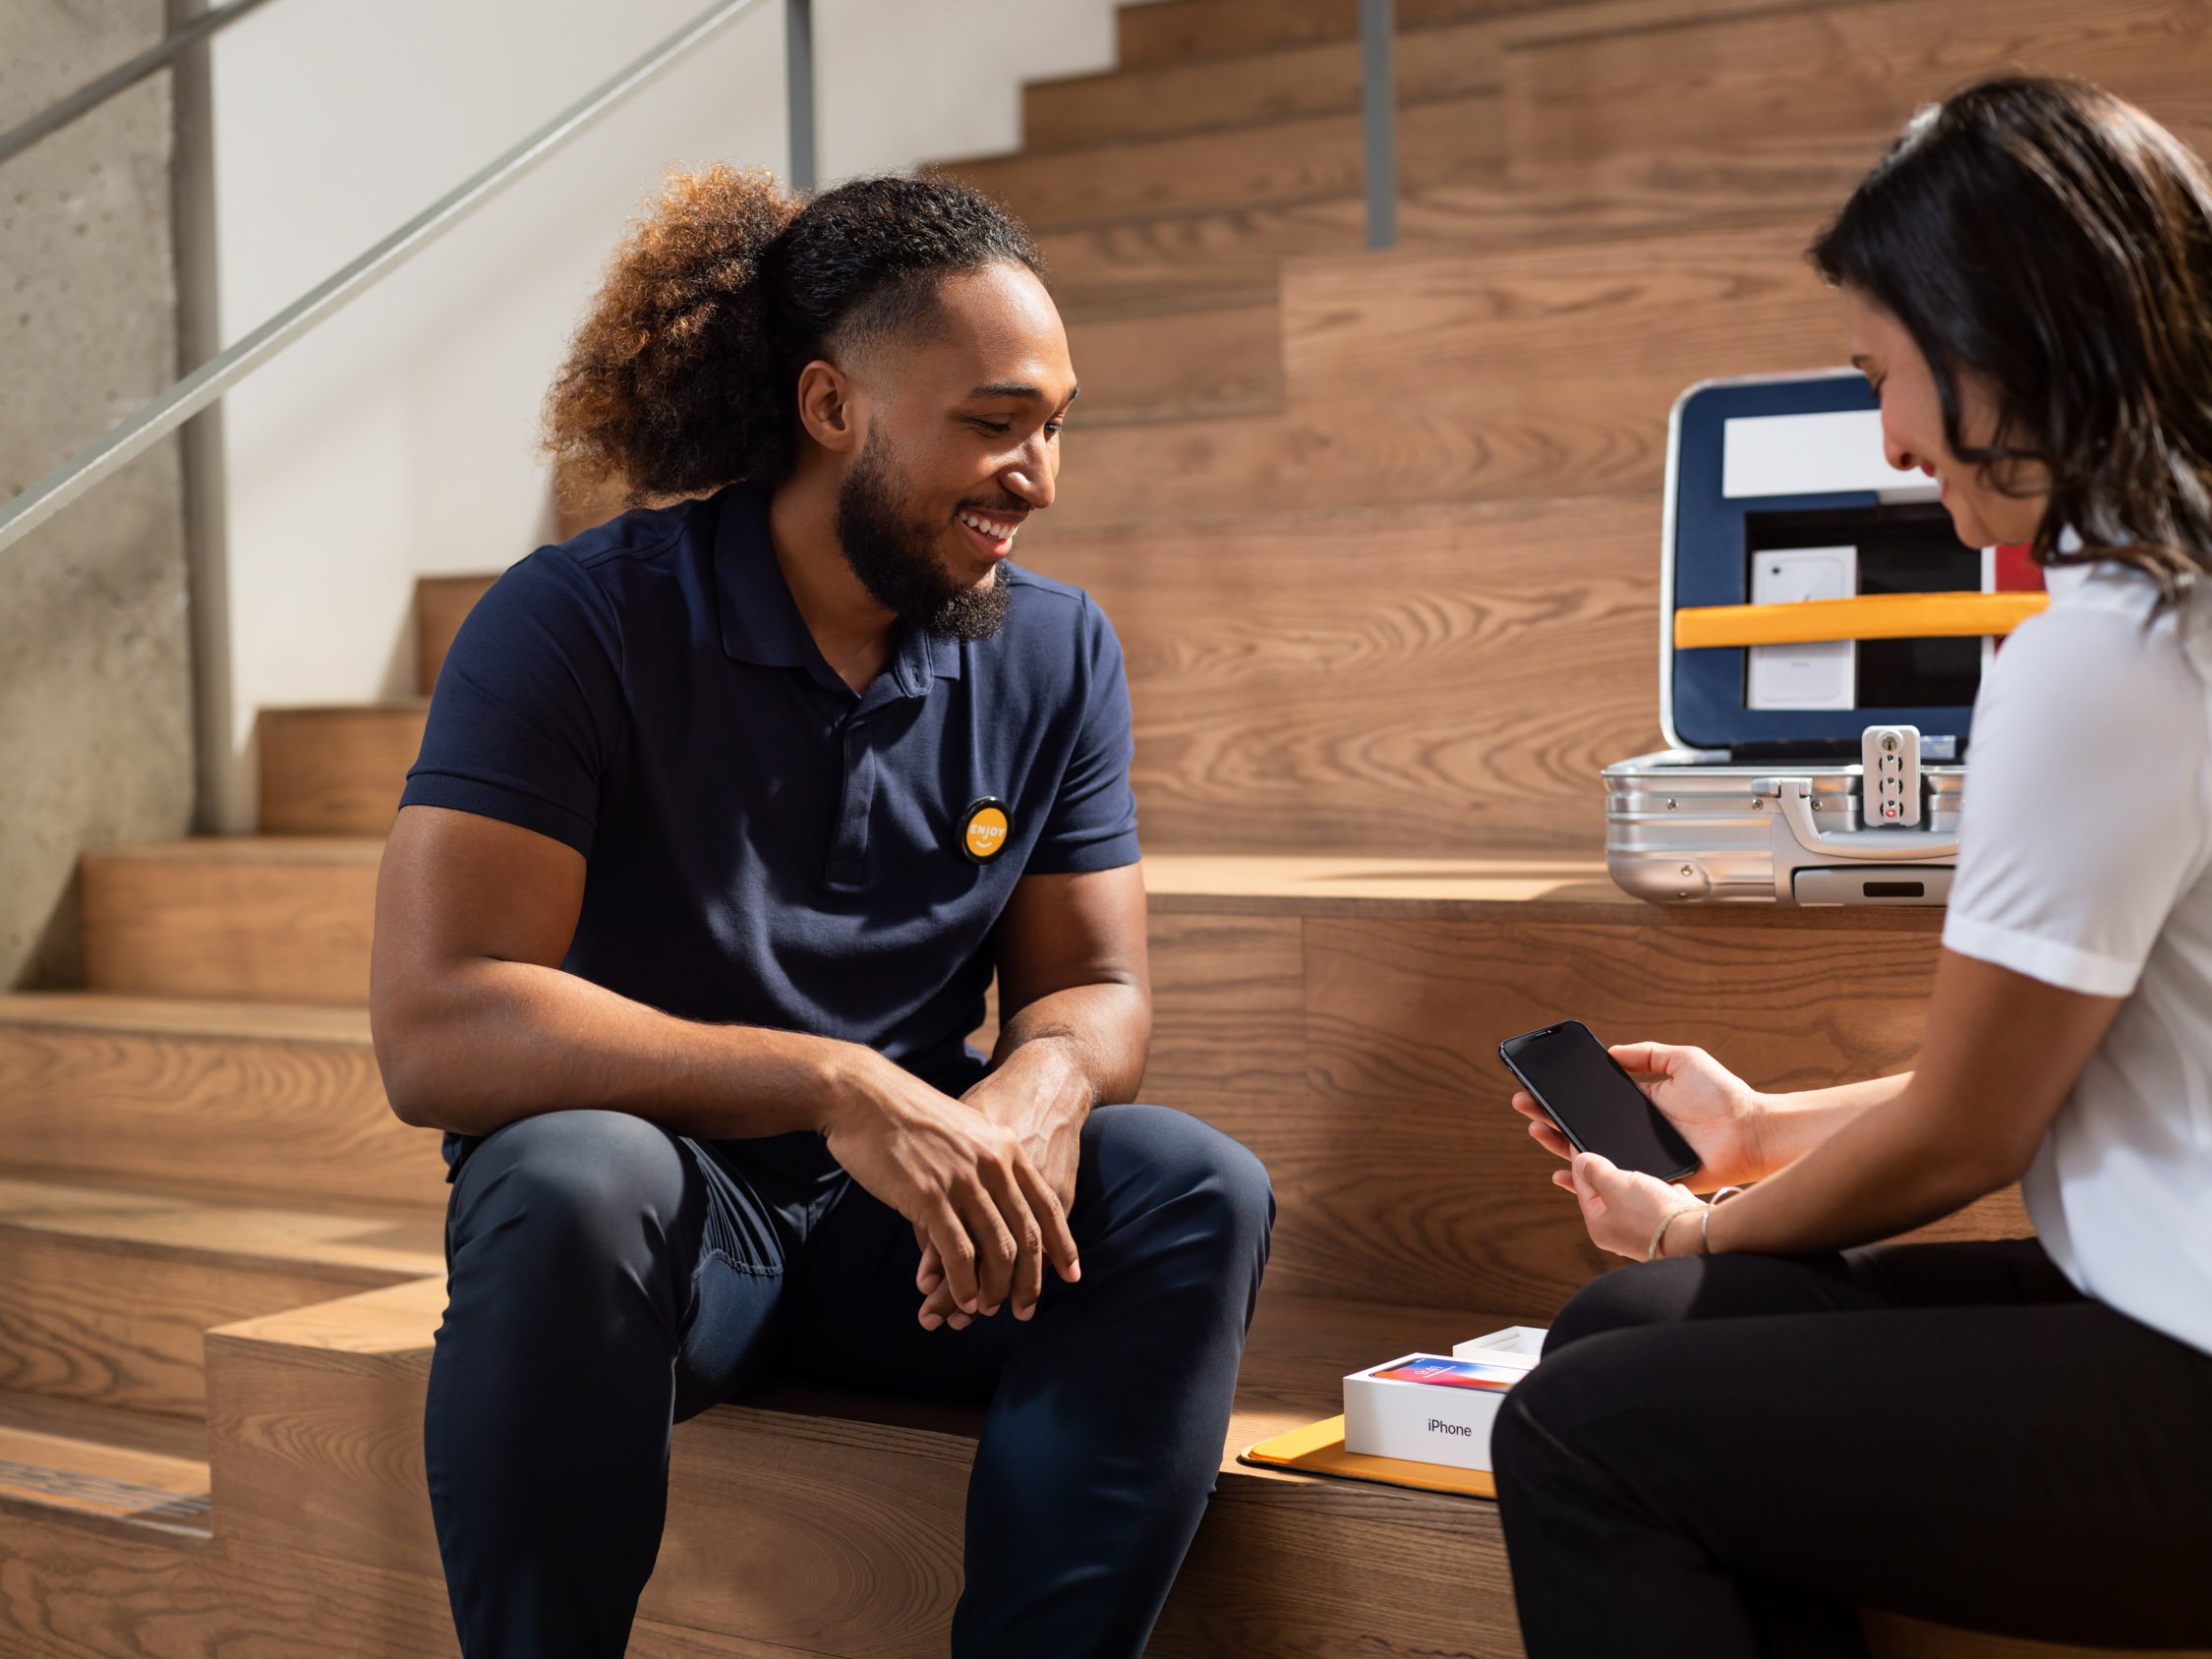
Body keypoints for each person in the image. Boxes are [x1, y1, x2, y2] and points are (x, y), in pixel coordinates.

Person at [368, 166, 1273, 1659]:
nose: (1035, 475)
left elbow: (1094, 986)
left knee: (1186, 1182)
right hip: (662, 1230)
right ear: (829, 407)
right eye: (991, 425)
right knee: (573, 1178)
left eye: (1053, 426)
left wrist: (1039, 1085)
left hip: (908, 1241)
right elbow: (442, 1021)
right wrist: (829, 1080)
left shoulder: (1053, 651)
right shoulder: (576, 619)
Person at [1491, 78, 2212, 1659]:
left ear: (1999, 350)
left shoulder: (2109, 654)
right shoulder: (2172, 608)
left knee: (1577, 1436)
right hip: (2169, 1293)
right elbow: (2054, 1053)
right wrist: (1756, 1129)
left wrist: (1693, 1226)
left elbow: (1968, 1129)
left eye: (1887, 374)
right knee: (1625, 1336)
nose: (1890, 440)